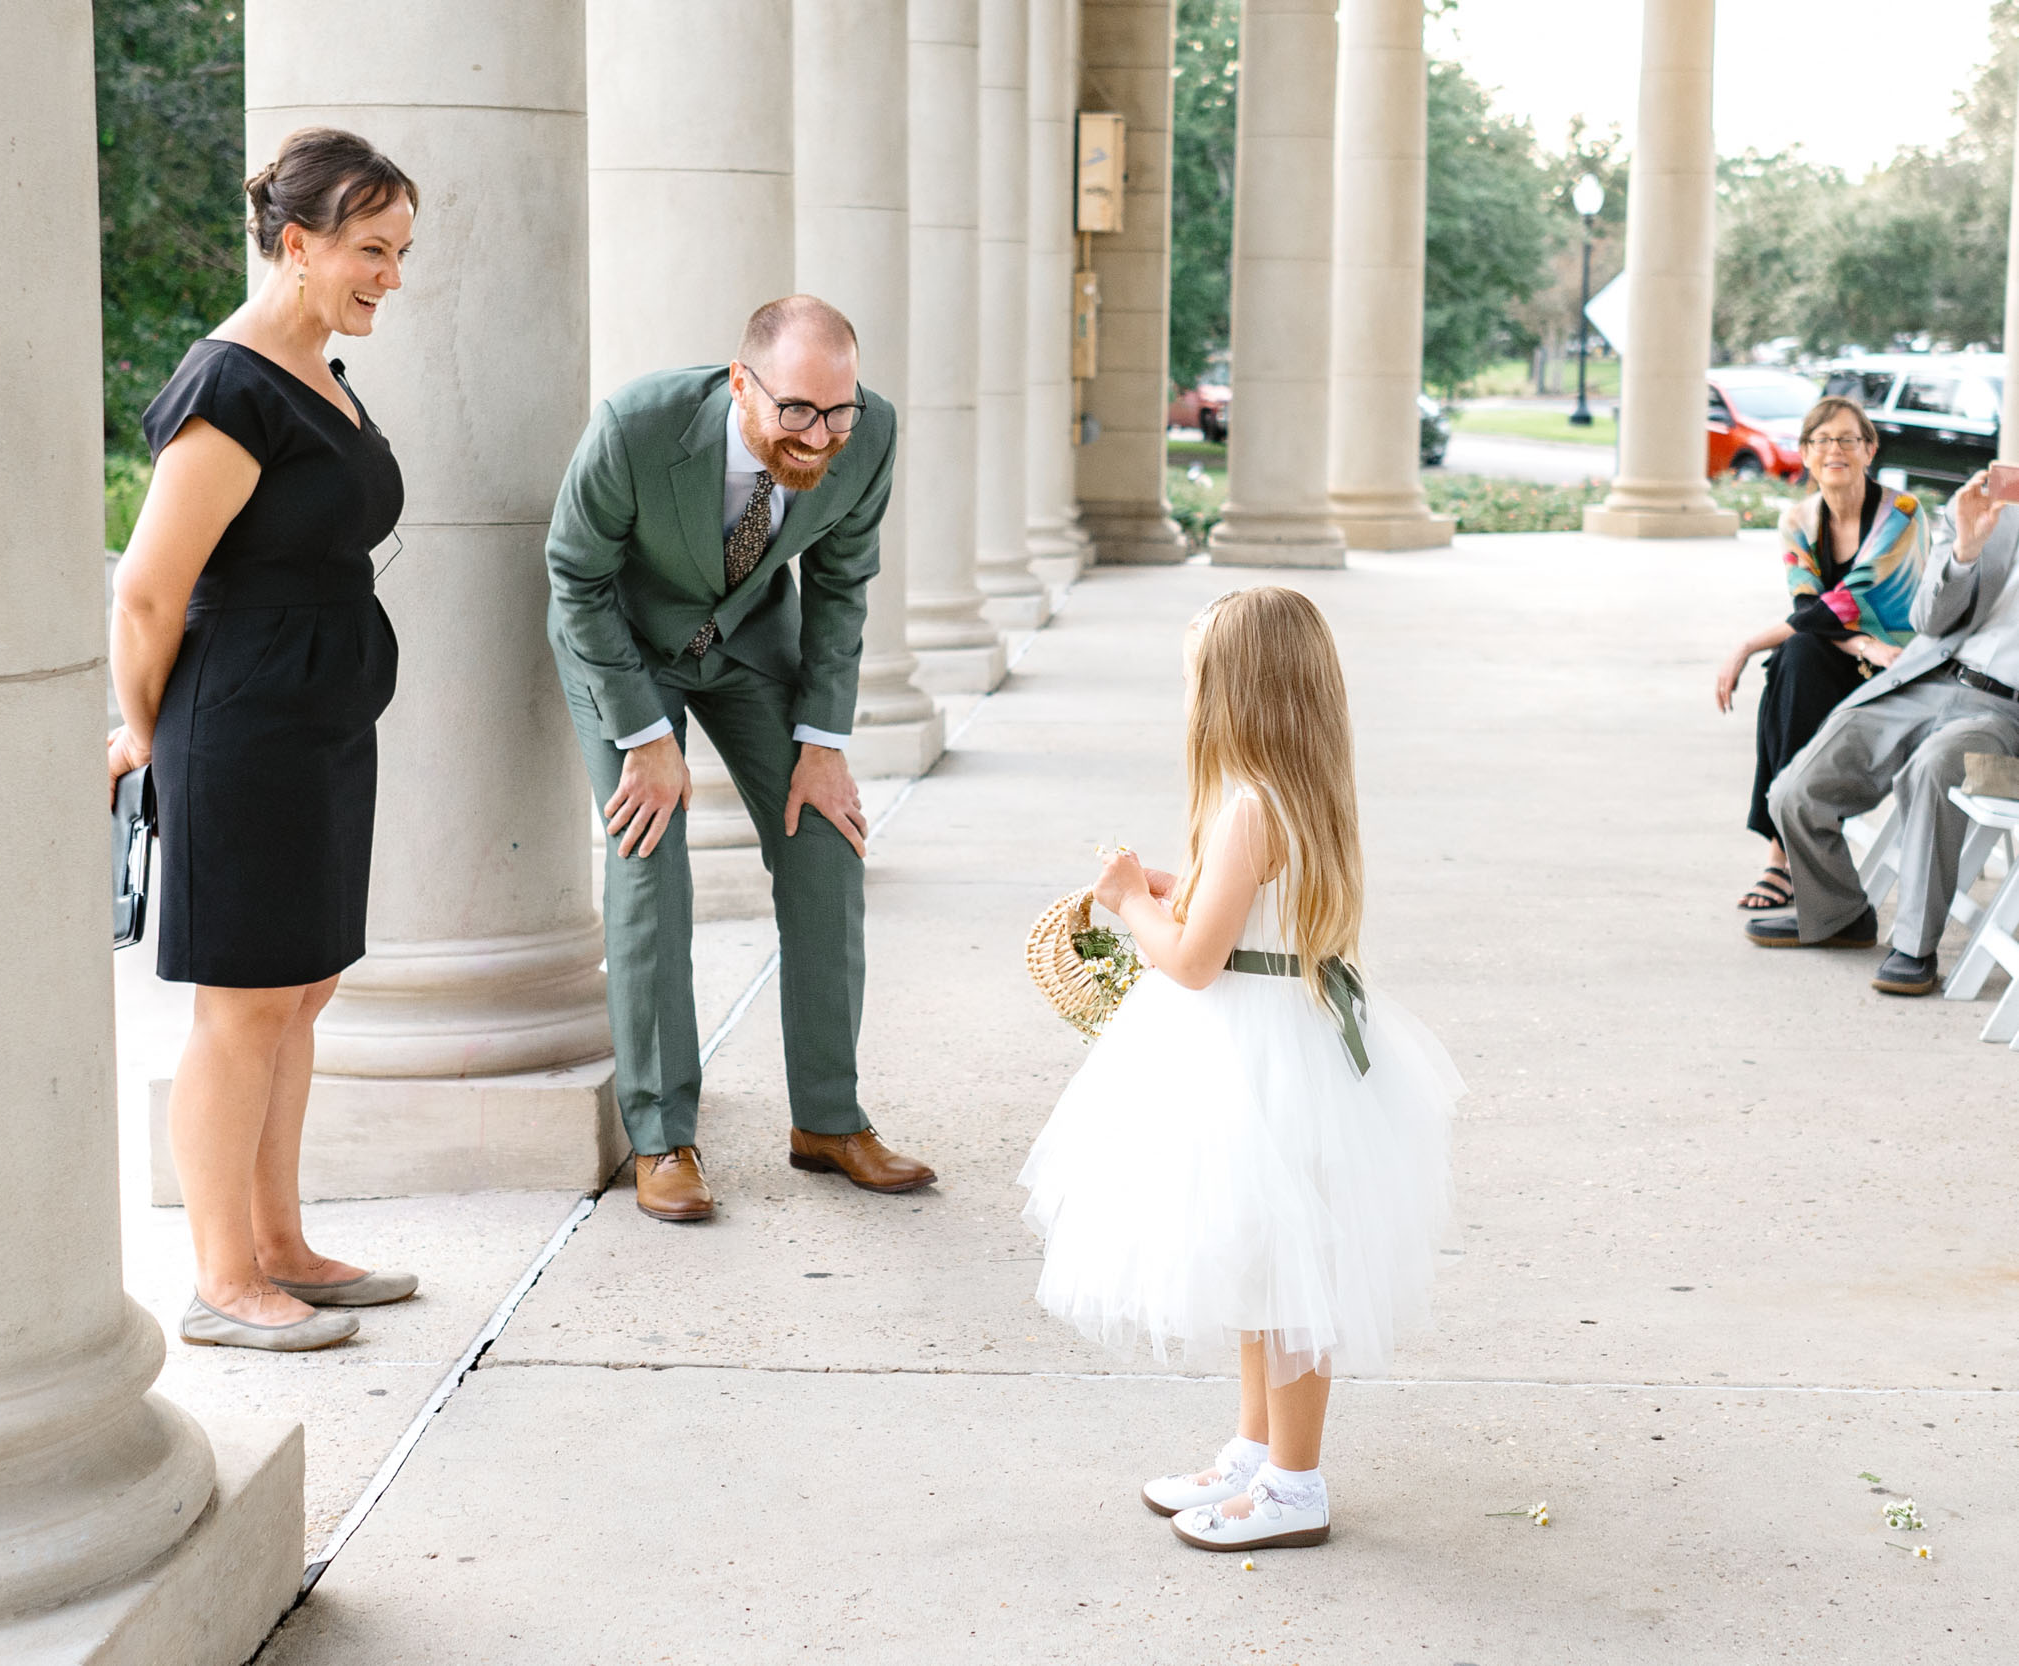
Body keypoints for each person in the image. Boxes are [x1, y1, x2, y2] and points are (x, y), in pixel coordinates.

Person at [1017, 587, 1460, 1553]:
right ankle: (1258, 1452)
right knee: (1267, 1262)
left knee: (1290, 1275)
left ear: (1238, 694)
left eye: (1196, 684)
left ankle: (1296, 1484)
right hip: (1278, 1034)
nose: (1189, 703)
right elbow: (1242, 911)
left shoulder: (1248, 807)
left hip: (1259, 1054)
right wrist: (1177, 888)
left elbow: (1188, 961)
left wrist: (1132, 898)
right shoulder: (1292, 796)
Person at [107, 128, 420, 1350]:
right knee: (243, 1005)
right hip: (239, 727)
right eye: (370, 250)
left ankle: (282, 1243)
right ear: (298, 246)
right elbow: (145, 590)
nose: (390, 275)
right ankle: (221, 1278)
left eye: (399, 252)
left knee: (302, 987)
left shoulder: (323, 371)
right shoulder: (228, 387)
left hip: (319, 725)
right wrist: (149, 740)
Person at [545, 296, 936, 1223]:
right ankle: (661, 1137)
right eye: (796, 411)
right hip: (625, 652)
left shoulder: (866, 435)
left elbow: (842, 585)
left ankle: (830, 1122)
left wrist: (824, 744)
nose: (820, 435)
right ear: (740, 384)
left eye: (838, 410)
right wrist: (643, 738)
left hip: (753, 645)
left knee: (826, 844)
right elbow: (576, 574)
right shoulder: (635, 428)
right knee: (650, 865)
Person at [1751, 468, 2019, 994]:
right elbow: (1929, 619)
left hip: (2000, 714)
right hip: (1921, 680)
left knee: (1936, 764)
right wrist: (1965, 550)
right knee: (1794, 792)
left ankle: (1914, 948)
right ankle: (1839, 916)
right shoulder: (1992, 515)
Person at [1716, 398, 1922, 911]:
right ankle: (1786, 850)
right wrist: (1861, 644)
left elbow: (1839, 604)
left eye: (1848, 439)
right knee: (1796, 662)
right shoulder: (1798, 520)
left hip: (1901, 668)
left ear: (1869, 450)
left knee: (1793, 661)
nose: (1836, 449)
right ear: (1805, 454)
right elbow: (1808, 607)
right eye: (1822, 440)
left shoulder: (1901, 515)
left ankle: (1781, 856)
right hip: (1851, 656)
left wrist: (1749, 643)